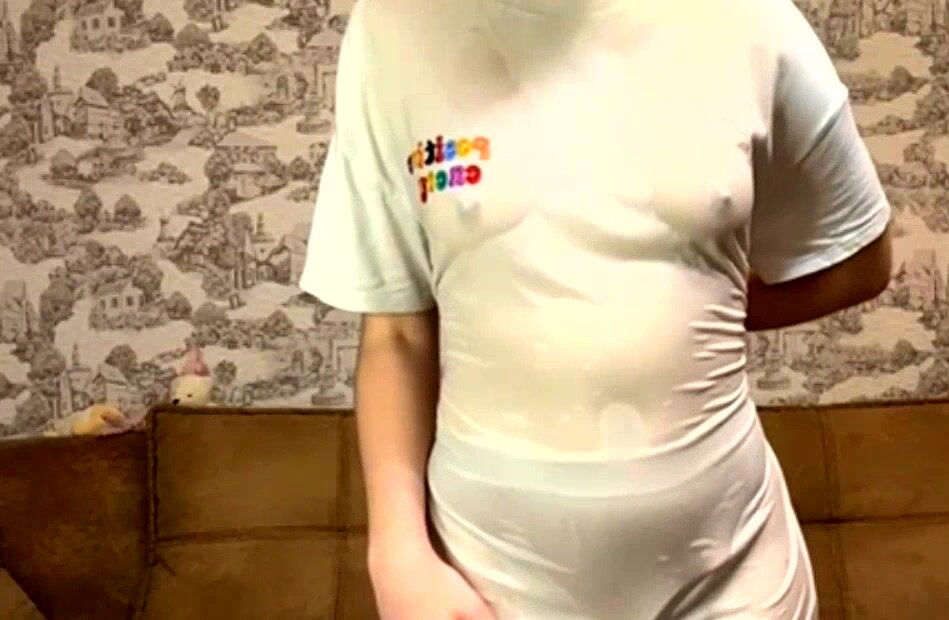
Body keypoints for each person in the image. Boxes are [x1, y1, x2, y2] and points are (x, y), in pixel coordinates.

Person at [299, 0, 892, 617]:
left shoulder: (747, 20)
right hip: (491, 576)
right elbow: (397, 334)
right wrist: (397, 556)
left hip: (734, 573)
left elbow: (859, 261)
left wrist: (703, 304)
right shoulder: (395, 26)